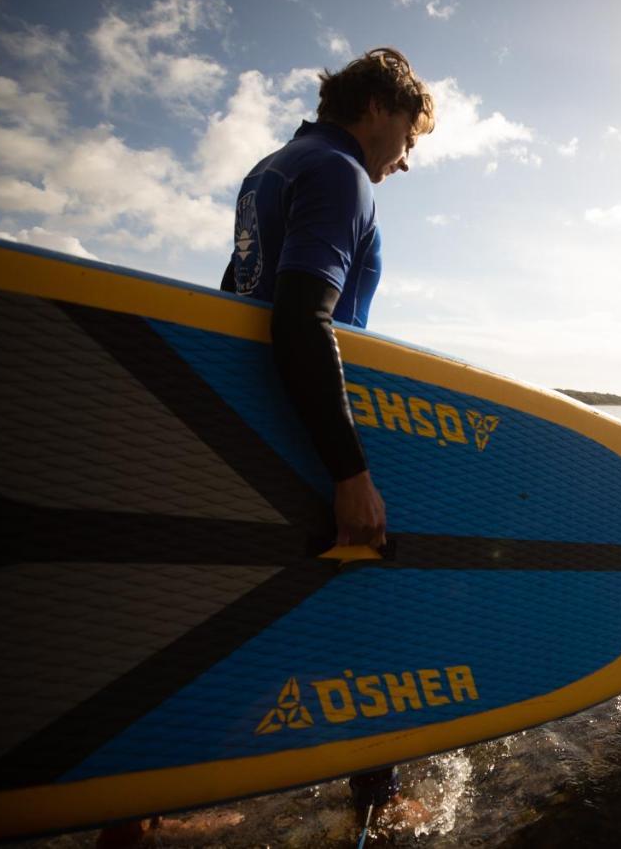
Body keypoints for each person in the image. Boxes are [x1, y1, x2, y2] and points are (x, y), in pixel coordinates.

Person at [221, 47, 436, 828]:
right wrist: (350, 470)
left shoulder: (273, 167)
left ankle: (133, 813)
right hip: (306, 432)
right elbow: (301, 317)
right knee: (368, 611)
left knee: (244, 611)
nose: (406, 161)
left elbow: (226, 303)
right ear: (378, 107)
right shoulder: (342, 174)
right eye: (410, 137)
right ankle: (377, 806)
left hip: (258, 425)